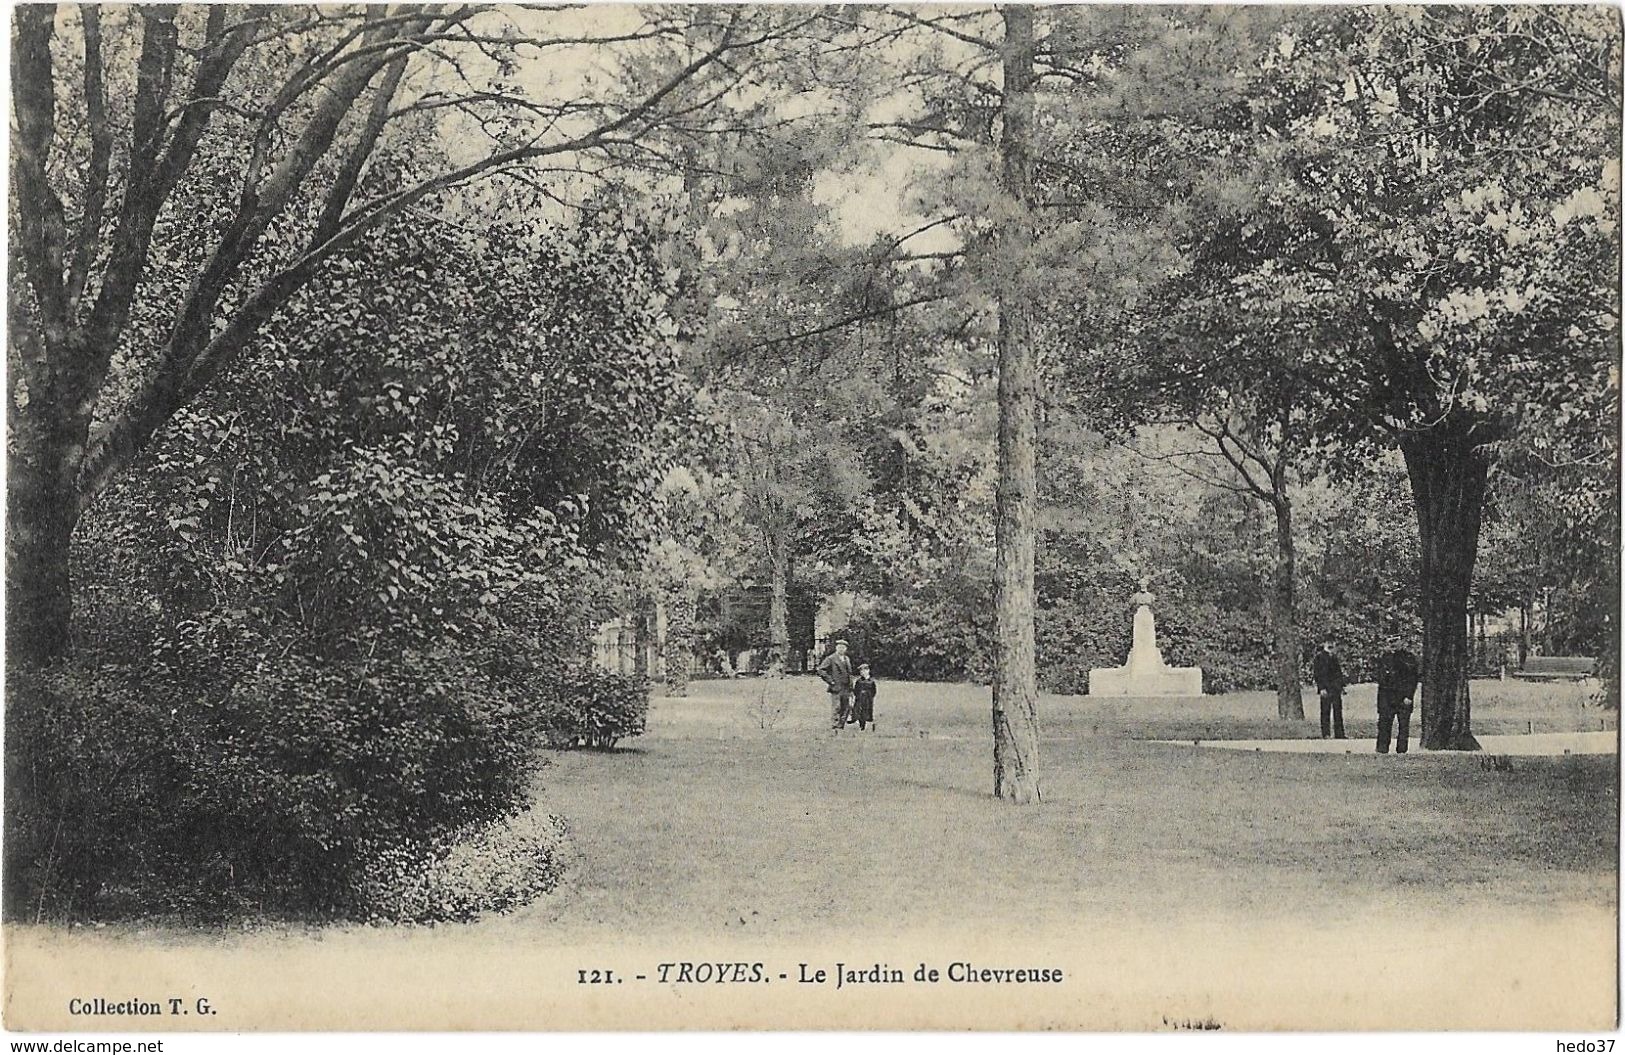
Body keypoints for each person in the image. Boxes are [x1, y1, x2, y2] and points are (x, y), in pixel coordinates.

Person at [1375, 646, 1421, 754]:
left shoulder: (1408, 658)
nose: (1393, 645)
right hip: (1387, 697)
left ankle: (1402, 749)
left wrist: (1409, 696)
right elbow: (1380, 677)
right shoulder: (1384, 658)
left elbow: (1413, 679)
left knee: (1403, 725)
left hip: (1403, 697)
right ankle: (1382, 748)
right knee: (1384, 724)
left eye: (1396, 641)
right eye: (1391, 642)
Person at [817, 640, 856, 730]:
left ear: (846, 649)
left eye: (843, 647)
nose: (841, 649)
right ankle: (834, 725)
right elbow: (821, 670)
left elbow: (849, 673)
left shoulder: (847, 659)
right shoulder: (831, 658)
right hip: (836, 687)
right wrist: (831, 681)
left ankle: (841, 724)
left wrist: (851, 684)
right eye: (839, 647)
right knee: (837, 706)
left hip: (846, 687)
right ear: (836, 648)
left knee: (846, 706)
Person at [1312, 641, 1346, 740]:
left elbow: (1338, 674)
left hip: (1336, 688)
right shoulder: (1319, 657)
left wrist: (1341, 687)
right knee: (1325, 711)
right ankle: (1326, 733)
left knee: (1338, 711)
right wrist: (1321, 688)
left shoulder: (1334, 657)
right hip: (1326, 688)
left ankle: (1339, 733)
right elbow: (1318, 674)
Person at [852, 664, 877, 732]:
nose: (862, 672)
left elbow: (873, 691)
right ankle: (861, 726)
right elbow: (856, 690)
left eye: (863, 671)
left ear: (868, 671)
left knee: (867, 712)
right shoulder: (859, 681)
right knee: (859, 712)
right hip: (860, 699)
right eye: (861, 671)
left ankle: (869, 725)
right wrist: (858, 696)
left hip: (868, 700)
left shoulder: (871, 681)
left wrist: (869, 696)